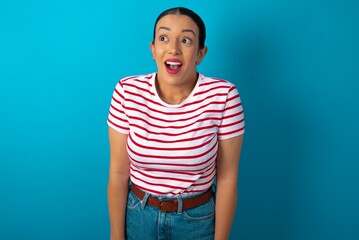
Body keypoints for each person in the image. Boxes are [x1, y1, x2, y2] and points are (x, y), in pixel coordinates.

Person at [107, 7, 245, 240]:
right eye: (164, 38)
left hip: (197, 221)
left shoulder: (224, 96)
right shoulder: (127, 91)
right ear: (153, 49)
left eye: (186, 40)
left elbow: (227, 178)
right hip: (138, 217)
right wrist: (116, 235)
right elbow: (119, 173)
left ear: (201, 53)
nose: (173, 49)